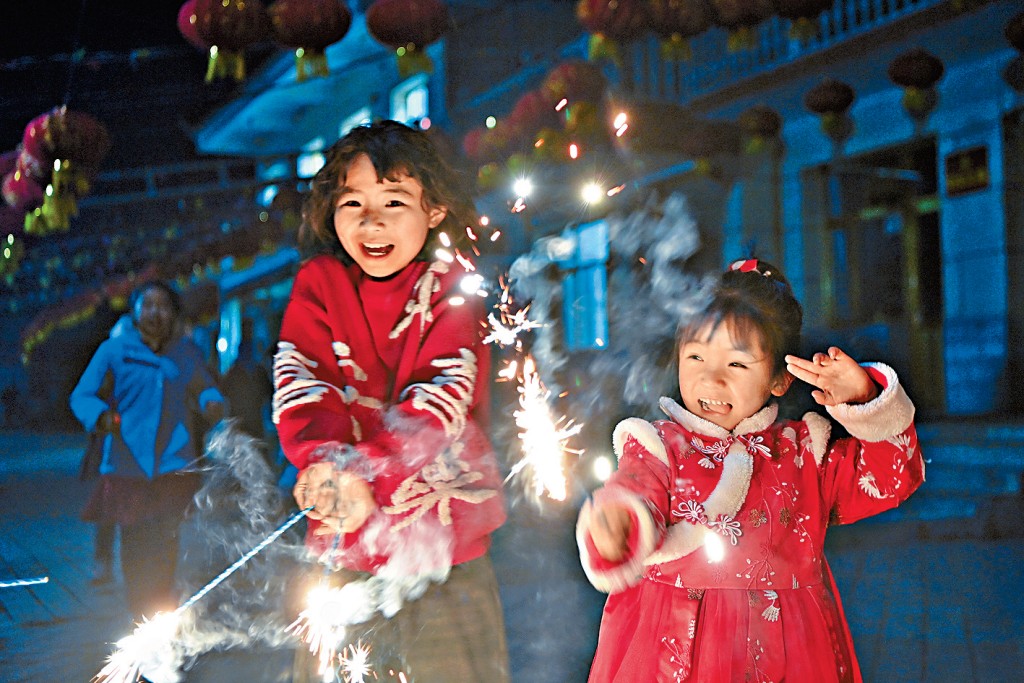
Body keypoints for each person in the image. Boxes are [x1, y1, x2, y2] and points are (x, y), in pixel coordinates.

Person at [576, 258, 925, 682]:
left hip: (793, 656)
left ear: (780, 377)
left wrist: (864, 398)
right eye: (696, 356)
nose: (711, 379)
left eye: (737, 364)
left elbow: (891, 477)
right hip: (674, 655)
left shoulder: (805, 453)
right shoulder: (656, 446)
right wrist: (617, 525)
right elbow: (635, 491)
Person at [273, 120, 508, 682]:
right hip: (344, 547)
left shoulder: (452, 288)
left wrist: (364, 469)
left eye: (394, 201)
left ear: (434, 211)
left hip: (445, 554)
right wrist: (325, 463)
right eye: (351, 201)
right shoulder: (319, 283)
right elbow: (304, 381)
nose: (371, 221)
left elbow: (440, 398)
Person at [70, 281, 225, 620]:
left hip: (173, 467)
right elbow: (82, 395)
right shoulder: (115, 351)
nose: (156, 313)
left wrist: (210, 402)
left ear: (173, 313)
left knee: (166, 546)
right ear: (136, 311)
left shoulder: (185, 353)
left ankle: (161, 616)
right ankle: (141, 617)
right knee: (135, 546)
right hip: (128, 469)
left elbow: (203, 387)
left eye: (163, 306)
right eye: (148, 305)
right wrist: (99, 416)